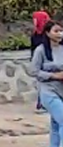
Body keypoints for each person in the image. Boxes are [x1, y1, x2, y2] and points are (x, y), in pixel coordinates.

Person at [33, 19, 63, 147]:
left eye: (61, 31)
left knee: (56, 124)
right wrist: (54, 75)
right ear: (47, 33)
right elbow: (34, 71)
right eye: (56, 31)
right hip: (48, 92)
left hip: (61, 91)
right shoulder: (41, 50)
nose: (60, 34)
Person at [34, 11, 52, 113]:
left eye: (36, 19)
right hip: (42, 63)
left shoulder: (50, 34)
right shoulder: (36, 34)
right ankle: (42, 104)